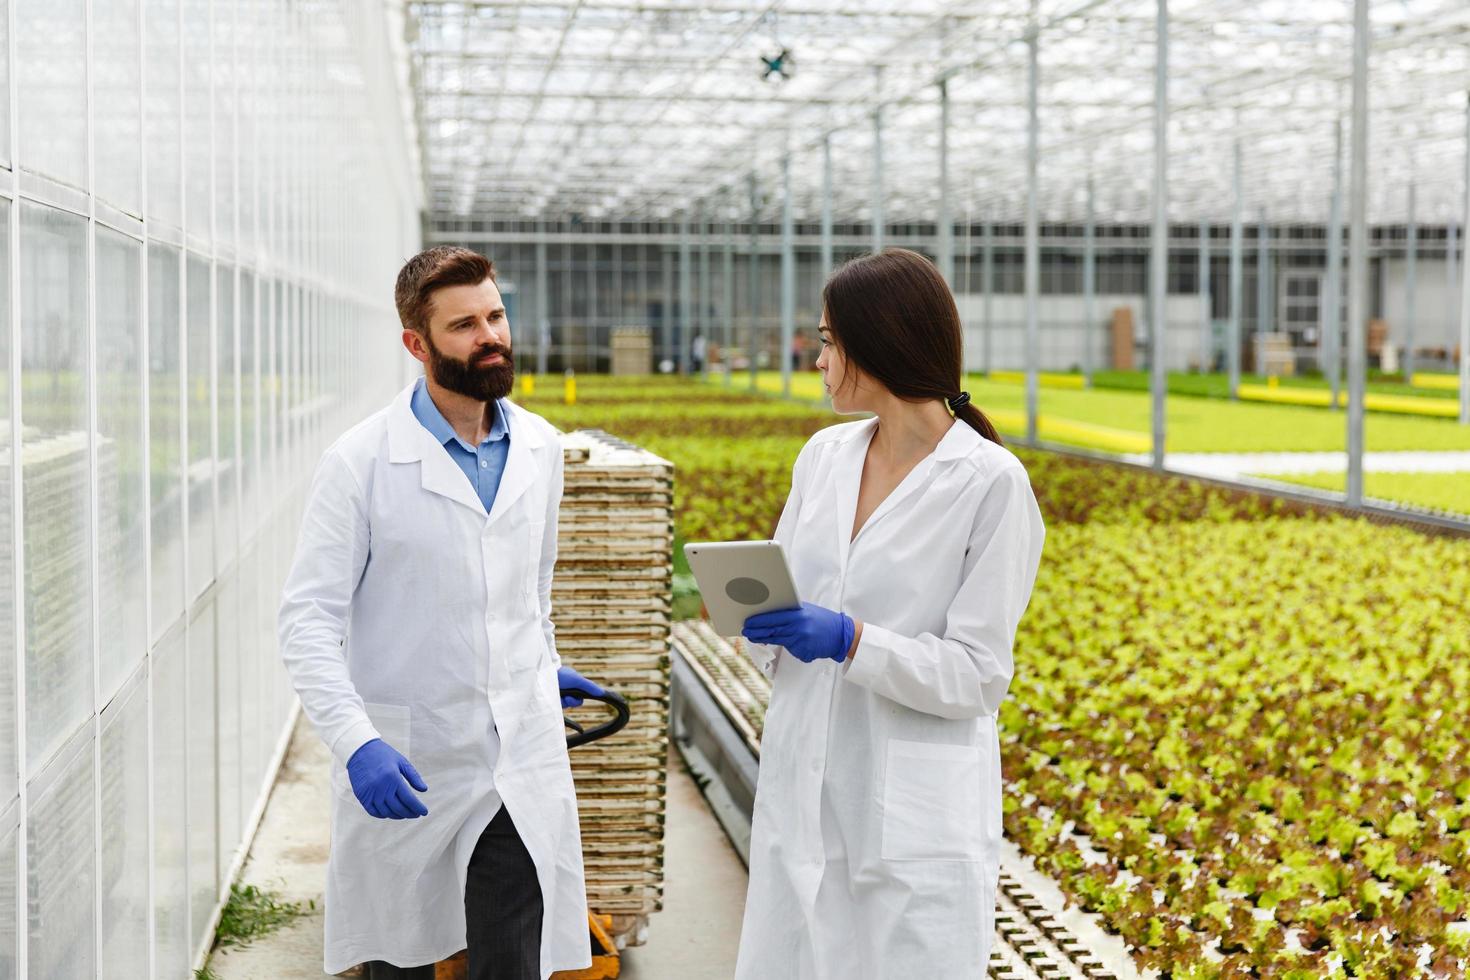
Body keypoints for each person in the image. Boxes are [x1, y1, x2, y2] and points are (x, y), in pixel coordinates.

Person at [278, 246, 601, 980]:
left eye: (495, 315)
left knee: (512, 958)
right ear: (416, 345)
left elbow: (530, 594)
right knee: (400, 959)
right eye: (463, 325)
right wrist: (358, 743)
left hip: (518, 754)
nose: (490, 336)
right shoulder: (359, 462)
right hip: (411, 758)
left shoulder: (542, 449)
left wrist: (543, 667)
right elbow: (307, 622)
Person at [734, 248, 1046, 979]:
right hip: (802, 789)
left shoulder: (989, 484)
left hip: (912, 816)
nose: (816, 359)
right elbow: (782, 602)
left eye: (828, 342)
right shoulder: (824, 457)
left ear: (880, 344)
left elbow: (977, 677)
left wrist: (852, 642)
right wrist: (764, 624)